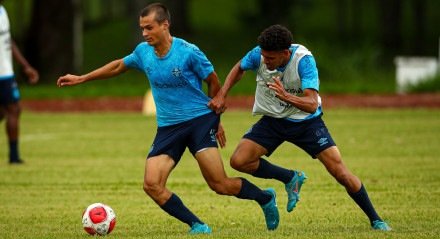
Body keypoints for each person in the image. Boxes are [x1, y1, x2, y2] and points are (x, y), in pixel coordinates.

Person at [57, 3, 280, 234]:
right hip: (168, 127)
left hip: (199, 123)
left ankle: (264, 198)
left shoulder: (188, 52)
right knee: (152, 185)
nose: (145, 33)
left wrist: (217, 119)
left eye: (149, 28)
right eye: (142, 28)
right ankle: (197, 225)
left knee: (219, 184)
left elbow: (213, 83)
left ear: (165, 25)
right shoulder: (143, 52)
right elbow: (117, 67)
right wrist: (82, 78)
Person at [208, 24, 392, 231]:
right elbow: (239, 68)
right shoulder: (258, 54)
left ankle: (376, 219)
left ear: (285, 53)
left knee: (340, 172)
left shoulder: (304, 61)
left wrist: (286, 96)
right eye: (264, 57)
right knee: (239, 161)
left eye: (270, 58)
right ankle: (290, 178)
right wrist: (222, 94)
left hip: (307, 123)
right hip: (273, 121)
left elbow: (312, 103)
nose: (265, 61)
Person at [0, 1, 39, 164]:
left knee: (4, 112)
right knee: (13, 109)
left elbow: (9, 41)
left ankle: (14, 156)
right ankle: (14, 157)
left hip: (6, 72)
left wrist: (25, 66)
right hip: (2, 74)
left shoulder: (2, 10)